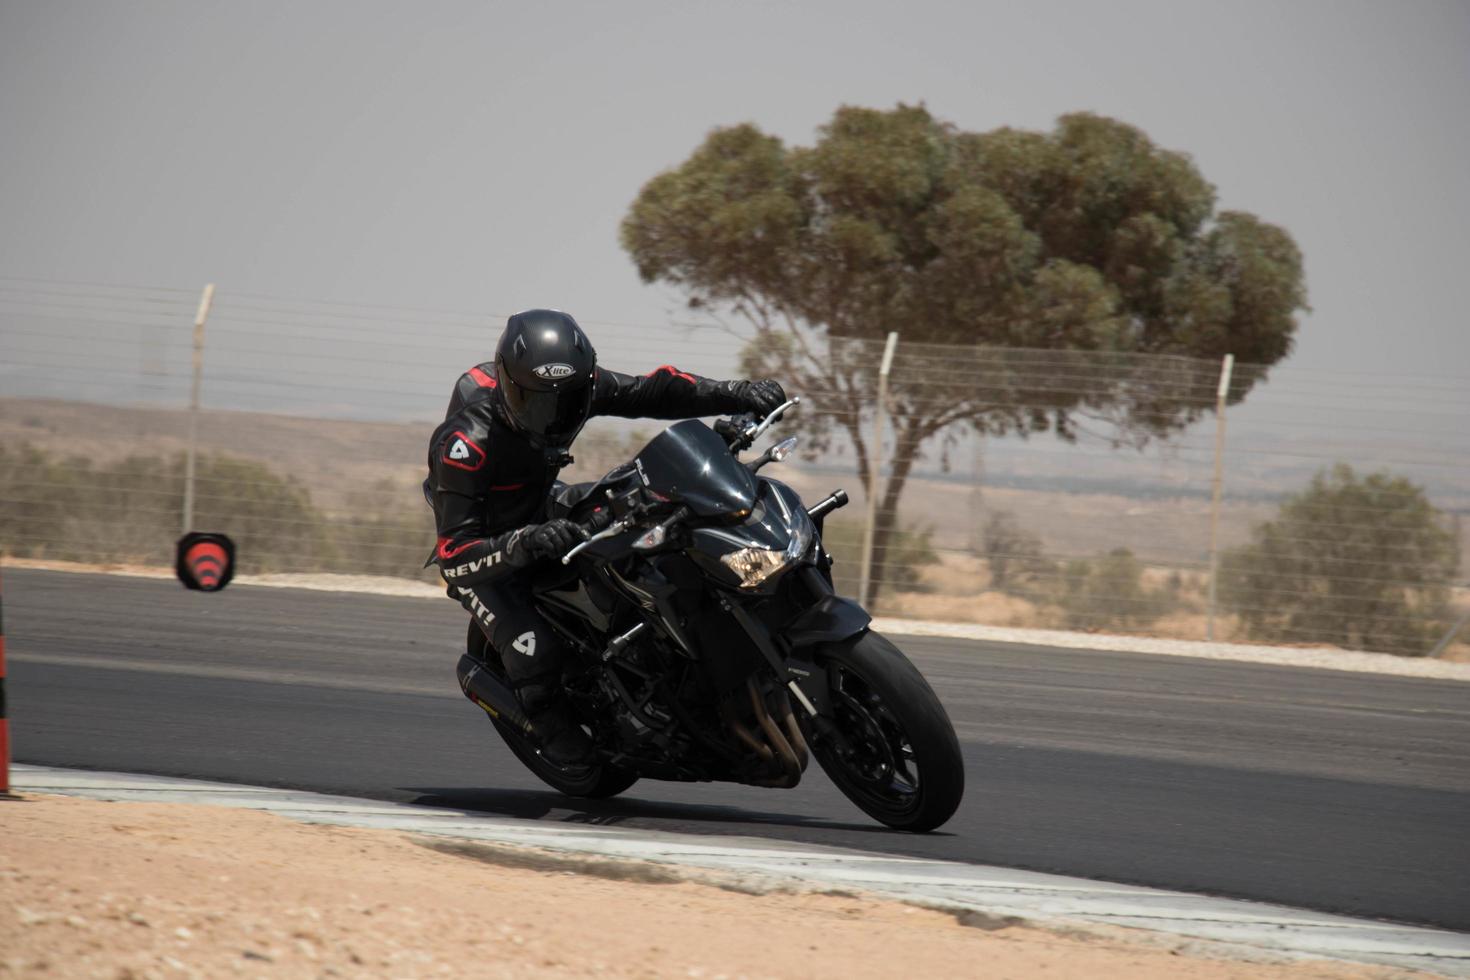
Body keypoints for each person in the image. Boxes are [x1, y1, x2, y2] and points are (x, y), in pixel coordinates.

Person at [424, 309, 786, 764]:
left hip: (542, 505)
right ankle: (544, 718)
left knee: (649, 526)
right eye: (536, 403)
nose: (553, 416)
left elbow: (655, 389)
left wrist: (734, 393)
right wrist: (526, 543)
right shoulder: (465, 445)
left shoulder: (579, 386)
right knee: (535, 649)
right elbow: (454, 553)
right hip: (487, 544)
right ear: (506, 385)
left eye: (567, 401)